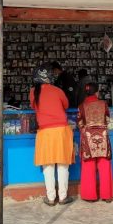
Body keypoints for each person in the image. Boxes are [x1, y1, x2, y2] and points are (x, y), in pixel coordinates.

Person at [30, 63, 75, 206]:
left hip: (45, 133)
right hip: (61, 131)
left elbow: (33, 106)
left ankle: (50, 198)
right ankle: (63, 197)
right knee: (63, 165)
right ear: (49, 77)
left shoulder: (33, 92)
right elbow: (66, 105)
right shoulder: (58, 90)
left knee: (47, 166)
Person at [78, 82, 113, 203]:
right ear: (97, 92)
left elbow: (80, 123)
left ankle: (90, 196)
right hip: (102, 138)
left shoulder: (81, 106)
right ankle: (107, 195)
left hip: (88, 139)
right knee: (104, 165)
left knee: (88, 166)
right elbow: (108, 120)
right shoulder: (103, 104)